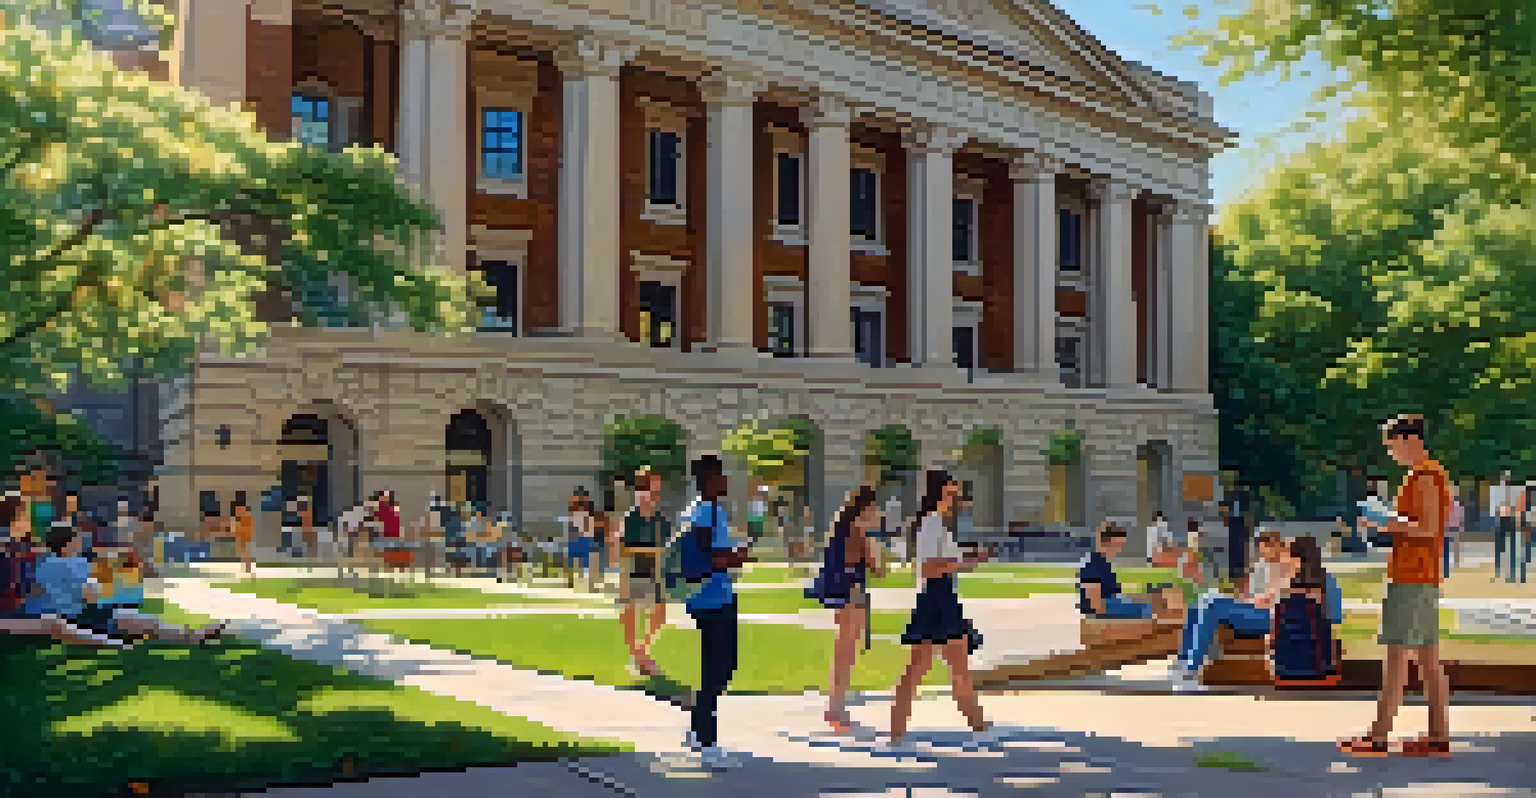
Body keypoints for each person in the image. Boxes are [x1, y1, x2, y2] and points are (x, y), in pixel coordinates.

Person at [1339, 414, 1452, 758]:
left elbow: (1428, 529)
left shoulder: (1426, 477)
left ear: (1410, 440)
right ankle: (1437, 735)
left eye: (1392, 446)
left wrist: (1386, 520)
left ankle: (1378, 735)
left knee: (1397, 656)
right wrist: (1388, 525)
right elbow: (1417, 526)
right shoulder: (1419, 477)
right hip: (1418, 574)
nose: (1391, 454)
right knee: (1427, 657)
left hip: (1413, 576)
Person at [888, 469, 989, 748]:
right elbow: (930, 567)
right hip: (938, 597)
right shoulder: (932, 523)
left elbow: (934, 562)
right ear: (940, 492)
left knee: (932, 668)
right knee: (945, 668)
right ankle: (978, 727)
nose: (955, 497)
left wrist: (965, 557)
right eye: (950, 492)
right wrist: (968, 561)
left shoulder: (935, 524)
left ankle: (898, 733)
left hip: (936, 598)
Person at [672, 454, 752, 769]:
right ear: (709, 479)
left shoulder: (693, 509)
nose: (726, 481)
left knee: (716, 667)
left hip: (700, 597)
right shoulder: (709, 511)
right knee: (720, 668)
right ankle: (707, 743)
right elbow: (710, 557)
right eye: (721, 476)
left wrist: (730, 556)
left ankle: (696, 730)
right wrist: (737, 557)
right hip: (715, 597)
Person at [1168, 527, 1295, 688]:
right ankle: (1184, 660)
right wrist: (1242, 601)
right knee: (1199, 604)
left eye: (1268, 543)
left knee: (1213, 603)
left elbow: (1276, 595)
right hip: (1251, 610)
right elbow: (1248, 596)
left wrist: (1250, 601)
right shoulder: (1260, 566)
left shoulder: (1287, 566)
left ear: (1278, 544)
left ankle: (1193, 666)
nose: (1264, 548)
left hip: (1268, 617)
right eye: (1261, 543)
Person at [809, 484, 886, 734]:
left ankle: (836, 705)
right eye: (875, 506)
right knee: (847, 650)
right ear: (866, 507)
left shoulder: (840, 530)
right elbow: (879, 570)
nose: (878, 511)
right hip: (853, 593)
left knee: (842, 649)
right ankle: (836, 707)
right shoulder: (859, 532)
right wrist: (877, 543)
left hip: (842, 593)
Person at [616, 468, 670, 678]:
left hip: (654, 573)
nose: (653, 493)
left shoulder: (661, 520)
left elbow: (666, 548)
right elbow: (622, 549)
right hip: (632, 572)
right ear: (640, 490)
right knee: (630, 617)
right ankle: (638, 657)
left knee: (659, 615)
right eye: (648, 487)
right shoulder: (631, 518)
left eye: (655, 489)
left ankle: (641, 652)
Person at [1272, 535, 1342, 684]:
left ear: (1295, 557)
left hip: (1286, 668)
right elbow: (1334, 619)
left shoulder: (1286, 584)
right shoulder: (1327, 580)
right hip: (1317, 666)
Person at [1079, 521, 1181, 620]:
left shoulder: (1104, 564)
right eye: (1117, 545)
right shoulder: (1092, 565)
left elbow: (1114, 594)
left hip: (1111, 604)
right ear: (1105, 542)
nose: (1119, 549)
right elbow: (1095, 605)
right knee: (1147, 608)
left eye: (1120, 545)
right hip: (1101, 611)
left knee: (1152, 597)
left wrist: (1137, 598)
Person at [1489, 471, 1520, 583]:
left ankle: (1511, 572)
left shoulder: (1514, 491)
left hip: (1510, 519)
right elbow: (1494, 506)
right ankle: (1499, 571)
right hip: (1502, 519)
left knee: (1511, 548)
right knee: (1500, 547)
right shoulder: (1499, 491)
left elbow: (1517, 506)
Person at [565, 489, 598, 593]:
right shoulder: (573, 510)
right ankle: (571, 581)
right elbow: (571, 524)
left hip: (586, 537)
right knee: (573, 560)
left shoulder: (588, 509)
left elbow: (590, 523)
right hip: (577, 537)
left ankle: (590, 584)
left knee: (588, 562)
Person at [231, 493, 254, 576]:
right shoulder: (246, 510)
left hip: (242, 531)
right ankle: (247, 567)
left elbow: (235, 520)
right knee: (244, 550)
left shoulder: (240, 510)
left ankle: (246, 567)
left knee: (243, 550)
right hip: (244, 531)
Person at [1445, 484, 1464, 574]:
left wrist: (1461, 527)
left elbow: (1461, 517)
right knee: (1447, 547)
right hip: (1448, 527)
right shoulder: (1446, 505)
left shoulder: (1458, 505)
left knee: (1454, 546)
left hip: (1453, 527)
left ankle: (1454, 562)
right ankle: (1447, 565)